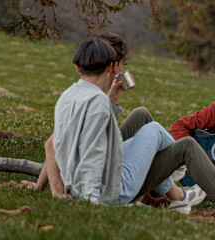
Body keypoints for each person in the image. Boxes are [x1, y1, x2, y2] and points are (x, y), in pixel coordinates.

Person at [43, 36, 215, 231]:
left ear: (77, 67)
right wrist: (94, 205)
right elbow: (95, 164)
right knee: (175, 140)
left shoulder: (69, 96)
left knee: (143, 117)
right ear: (113, 66)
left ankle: (166, 189)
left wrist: (59, 193)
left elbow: (52, 145)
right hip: (111, 190)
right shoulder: (96, 103)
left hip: (82, 186)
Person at [28, 32, 194, 212]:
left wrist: (110, 99)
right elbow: (52, 145)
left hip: (97, 173)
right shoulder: (87, 99)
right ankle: (176, 187)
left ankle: (161, 188)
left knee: (142, 115)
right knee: (153, 130)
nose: (120, 70)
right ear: (110, 65)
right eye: (120, 64)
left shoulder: (78, 94)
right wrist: (54, 190)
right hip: (102, 185)